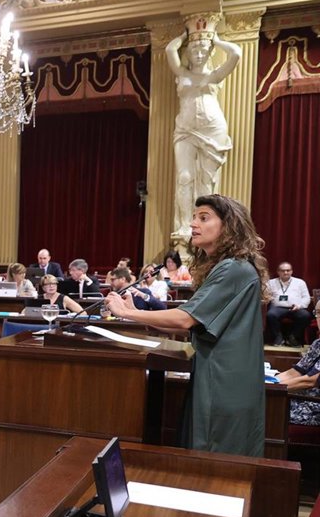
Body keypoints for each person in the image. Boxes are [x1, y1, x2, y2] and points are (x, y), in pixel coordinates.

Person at [105, 194, 268, 457]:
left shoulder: (233, 269)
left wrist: (127, 313)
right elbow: (192, 325)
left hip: (225, 381)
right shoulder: (228, 267)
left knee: (217, 462)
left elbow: (185, 319)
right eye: (193, 217)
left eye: (203, 218)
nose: (193, 224)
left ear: (229, 226)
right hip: (218, 374)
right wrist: (135, 312)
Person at [167, 27, 241, 239]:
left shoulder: (214, 74)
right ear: (188, 53)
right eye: (194, 50)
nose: (199, 55)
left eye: (203, 50)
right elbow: (170, 50)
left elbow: (236, 53)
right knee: (184, 177)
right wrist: (184, 36)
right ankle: (185, 226)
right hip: (185, 129)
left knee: (207, 183)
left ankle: (206, 229)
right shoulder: (182, 73)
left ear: (210, 52)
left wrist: (216, 41)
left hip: (212, 129)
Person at [265, 262, 312, 347]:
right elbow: (266, 296)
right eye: (283, 270)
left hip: (295, 308)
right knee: (270, 314)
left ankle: (293, 337)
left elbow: (306, 298)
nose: (285, 272)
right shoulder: (271, 283)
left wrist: (299, 306)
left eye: (288, 270)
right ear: (278, 272)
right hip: (277, 307)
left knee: (305, 315)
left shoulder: (300, 282)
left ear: (292, 271)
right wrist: (268, 298)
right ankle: (278, 337)